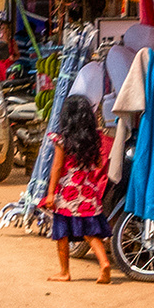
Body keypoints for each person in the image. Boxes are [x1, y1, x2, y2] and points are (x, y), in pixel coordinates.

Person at [42, 95, 113, 285]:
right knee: (90, 233)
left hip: (67, 193)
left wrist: (50, 193)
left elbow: (56, 168)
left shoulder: (62, 141)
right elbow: (98, 164)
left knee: (62, 234)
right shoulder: (94, 139)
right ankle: (104, 262)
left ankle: (64, 272)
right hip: (88, 192)